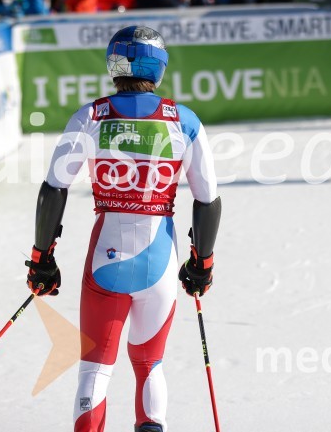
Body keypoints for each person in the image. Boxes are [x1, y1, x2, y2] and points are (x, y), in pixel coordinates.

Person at [24, 26, 221, 432]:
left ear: (116, 63)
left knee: (95, 370)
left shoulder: (91, 115)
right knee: (150, 363)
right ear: (159, 67)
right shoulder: (184, 121)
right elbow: (208, 200)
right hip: (160, 263)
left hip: (105, 262)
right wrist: (201, 263)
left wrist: (42, 259)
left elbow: (54, 188)